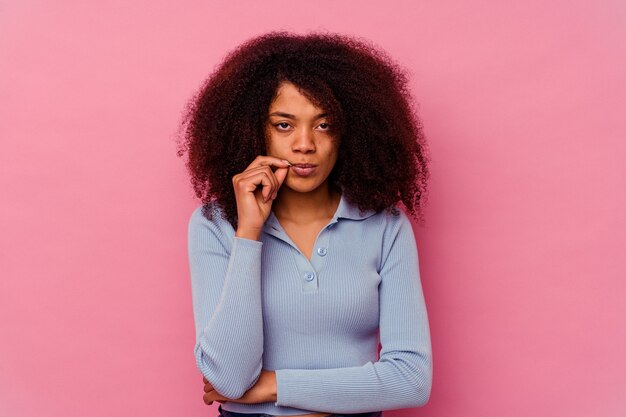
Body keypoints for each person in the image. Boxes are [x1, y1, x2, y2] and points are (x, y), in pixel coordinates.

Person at [176, 30, 432, 417]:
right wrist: (248, 233)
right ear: (253, 129)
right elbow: (228, 380)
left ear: (349, 132)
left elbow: (411, 379)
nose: (304, 144)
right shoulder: (215, 225)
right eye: (284, 125)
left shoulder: (386, 226)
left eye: (324, 125)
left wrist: (273, 385)